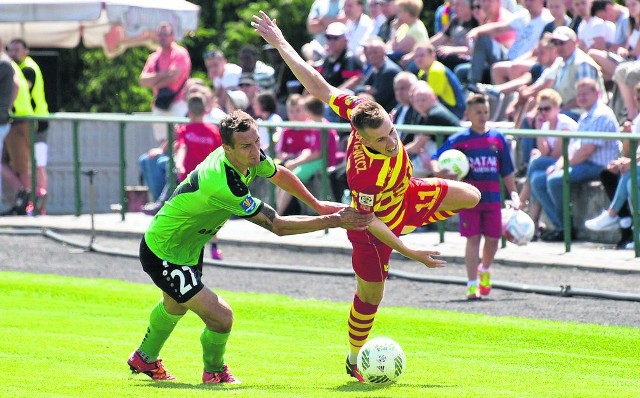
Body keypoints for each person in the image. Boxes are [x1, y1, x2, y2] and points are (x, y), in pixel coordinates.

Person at [253, 11, 481, 382]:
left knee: (470, 195)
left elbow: (318, 85)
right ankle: (353, 357)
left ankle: (413, 223)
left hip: (406, 197)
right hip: (370, 228)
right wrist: (410, 252)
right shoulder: (363, 173)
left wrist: (280, 42)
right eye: (382, 140)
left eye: (392, 132)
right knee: (371, 297)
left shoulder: (360, 109)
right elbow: (371, 219)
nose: (391, 142)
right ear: (364, 138)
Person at [128, 110, 374, 384]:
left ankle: (144, 358)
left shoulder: (248, 156)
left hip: (186, 246)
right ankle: (215, 373)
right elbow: (277, 226)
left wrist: (316, 203)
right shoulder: (223, 184)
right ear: (227, 148)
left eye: (258, 142)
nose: (256, 151)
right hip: (163, 251)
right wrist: (334, 220)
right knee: (222, 317)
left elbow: (278, 173)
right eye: (247, 146)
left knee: (175, 306)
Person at [431, 94, 518, 300]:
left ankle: (485, 269)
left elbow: (507, 169)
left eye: (485, 112)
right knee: (473, 239)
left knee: (493, 239)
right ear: (468, 114)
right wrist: (441, 172)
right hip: (469, 198)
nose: (483, 116)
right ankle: (471, 284)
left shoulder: (497, 138)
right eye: (478, 112)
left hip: (493, 198)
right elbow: (437, 158)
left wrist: (513, 192)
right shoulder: (460, 140)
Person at [531, 78, 620, 242]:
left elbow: (586, 151)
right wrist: (559, 164)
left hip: (598, 166)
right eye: (579, 95)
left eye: (585, 94)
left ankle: (565, 228)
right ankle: (559, 225)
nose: (581, 98)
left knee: (555, 180)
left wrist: (561, 168)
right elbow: (572, 148)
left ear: (597, 93)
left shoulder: (601, 115)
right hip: (584, 162)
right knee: (537, 179)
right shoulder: (586, 115)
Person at [584, 82, 640, 249]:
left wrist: (631, 162)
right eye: (637, 98)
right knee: (609, 174)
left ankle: (613, 214)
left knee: (629, 177)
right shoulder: (637, 120)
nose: (638, 101)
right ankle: (627, 226)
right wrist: (627, 138)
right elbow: (629, 154)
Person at [519, 88, 578, 240]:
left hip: (570, 162)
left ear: (557, 107)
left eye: (547, 108)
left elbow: (558, 154)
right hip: (554, 164)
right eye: (540, 109)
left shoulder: (565, 124)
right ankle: (560, 226)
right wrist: (539, 130)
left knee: (535, 162)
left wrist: (540, 155)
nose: (543, 112)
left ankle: (521, 204)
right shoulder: (545, 125)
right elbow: (545, 153)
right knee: (537, 179)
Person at [8, 38, 50, 214]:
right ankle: (36, 199)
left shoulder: (27, 68)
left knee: (38, 163)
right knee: (31, 163)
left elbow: (21, 88)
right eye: (11, 50)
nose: (13, 53)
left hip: (36, 121)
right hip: (31, 120)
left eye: (17, 49)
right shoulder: (19, 67)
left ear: (26, 50)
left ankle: (39, 200)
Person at [139, 22, 191, 142]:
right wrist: (163, 74)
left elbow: (174, 77)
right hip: (160, 103)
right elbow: (142, 81)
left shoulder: (179, 53)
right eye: (160, 35)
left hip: (178, 101)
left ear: (173, 36)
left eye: (166, 35)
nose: (163, 38)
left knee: (179, 137)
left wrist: (154, 81)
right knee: (162, 138)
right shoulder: (154, 57)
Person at [1, 59, 35, 216]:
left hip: (19, 120)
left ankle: (28, 203)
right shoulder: (11, 64)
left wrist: (6, 108)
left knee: (21, 167)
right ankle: (23, 197)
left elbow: (16, 86)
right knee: (7, 164)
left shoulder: (8, 64)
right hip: (14, 121)